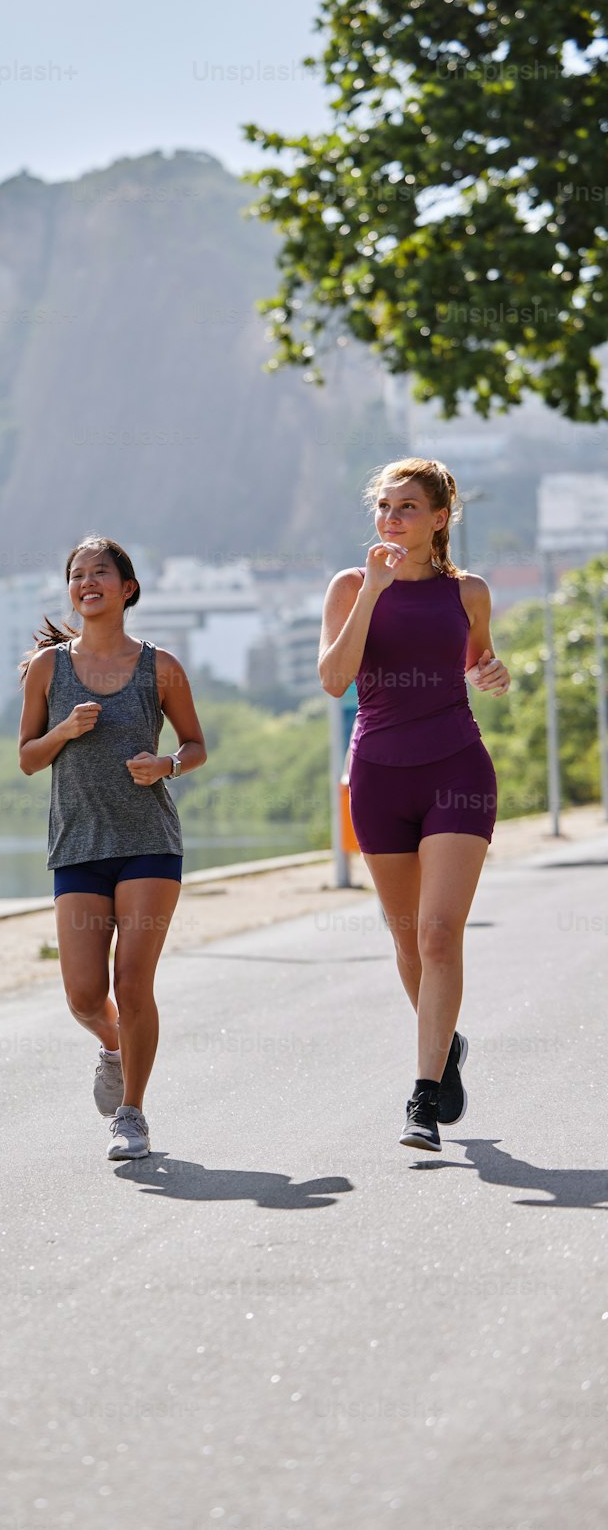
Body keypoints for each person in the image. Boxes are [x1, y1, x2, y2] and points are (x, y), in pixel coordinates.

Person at [319, 459, 510, 1152]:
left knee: (437, 934)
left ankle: (422, 1096)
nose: (392, 518)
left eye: (407, 507)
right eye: (384, 506)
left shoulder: (470, 591)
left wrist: (493, 670)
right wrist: (371, 590)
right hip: (379, 777)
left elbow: (481, 661)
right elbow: (334, 680)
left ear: (439, 519)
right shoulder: (349, 585)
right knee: (407, 940)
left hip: (457, 770)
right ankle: (446, 1044)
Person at [18, 536, 207, 1160]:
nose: (86, 581)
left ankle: (133, 1114)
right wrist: (65, 729)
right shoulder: (50, 669)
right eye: (76, 574)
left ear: (128, 588)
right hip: (77, 843)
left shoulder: (162, 666)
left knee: (133, 982)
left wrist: (168, 765)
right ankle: (114, 1047)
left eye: (100, 572)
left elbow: (196, 744)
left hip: (149, 841)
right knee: (80, 993)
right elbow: (25, 759)